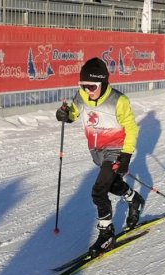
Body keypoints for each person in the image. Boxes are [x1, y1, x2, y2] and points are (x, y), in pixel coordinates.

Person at [54, 57, 145, 256]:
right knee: (112, 184)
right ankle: (134, 199)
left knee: (98, 191)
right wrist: (65, 115)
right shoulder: (81, 96)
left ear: (103, 83)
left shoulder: (118, 101)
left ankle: (106, 234)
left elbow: (131, 128)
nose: (87, 91)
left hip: (116, 150)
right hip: (97, 151)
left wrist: (126, 156)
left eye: (91, 86)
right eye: (83, 86)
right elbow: (73, 113)